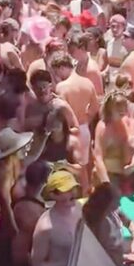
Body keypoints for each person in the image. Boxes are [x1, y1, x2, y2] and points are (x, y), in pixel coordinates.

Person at [51, 51, 99, 193]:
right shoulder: (87, 83)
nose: (57, 75)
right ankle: (86, 194)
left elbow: (61, 113)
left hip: (70, 132)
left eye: (56, 71)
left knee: (74, 168)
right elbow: (95, 107)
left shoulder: (62, 87)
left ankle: (80, 196)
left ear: (61, 67)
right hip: (84, 129)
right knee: (85, 166)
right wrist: (86, 119)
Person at [82, 182, 134, 266]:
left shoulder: (114, 211)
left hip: (121, 255)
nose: (120, 204)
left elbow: (129, 222)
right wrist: (126, 257)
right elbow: (100, 254)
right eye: (117, 201)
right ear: (107, 202)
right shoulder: (99, 224)